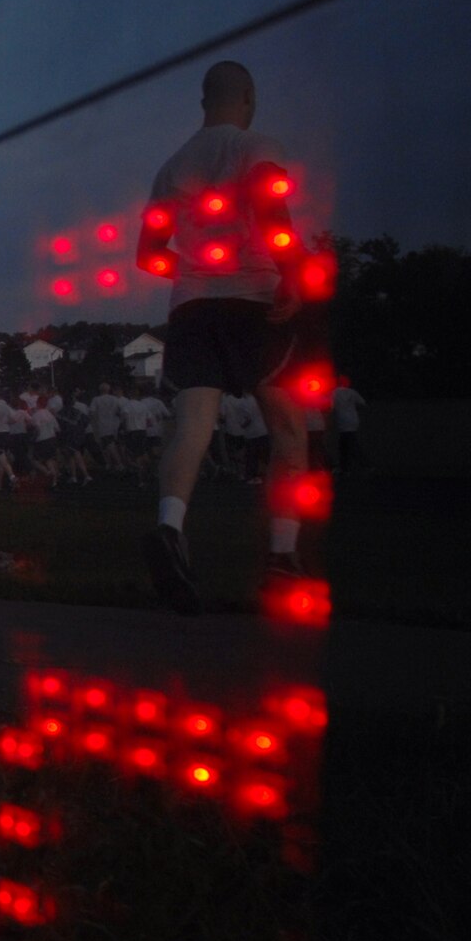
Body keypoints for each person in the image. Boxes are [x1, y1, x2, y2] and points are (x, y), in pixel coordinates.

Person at [137, 59, 316, 613]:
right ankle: (282, 557)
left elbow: (148, 254)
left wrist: (194, 274)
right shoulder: (257, 145)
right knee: (288, 428)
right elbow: (270, 207)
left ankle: (171, 527)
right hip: (255, 303)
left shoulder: (173, 166)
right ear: (248, 96)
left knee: (191, 426)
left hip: (193, 309)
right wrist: (291, 271)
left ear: (203, 102)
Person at [330, 376, 365, 474]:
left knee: (346, 444)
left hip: (342, 421)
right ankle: (354, 465)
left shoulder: (335, 393)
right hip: (353, 420)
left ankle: (351, 465)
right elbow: (362, 403)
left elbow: (331, 407)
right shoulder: (352, 392)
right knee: (350, 441)